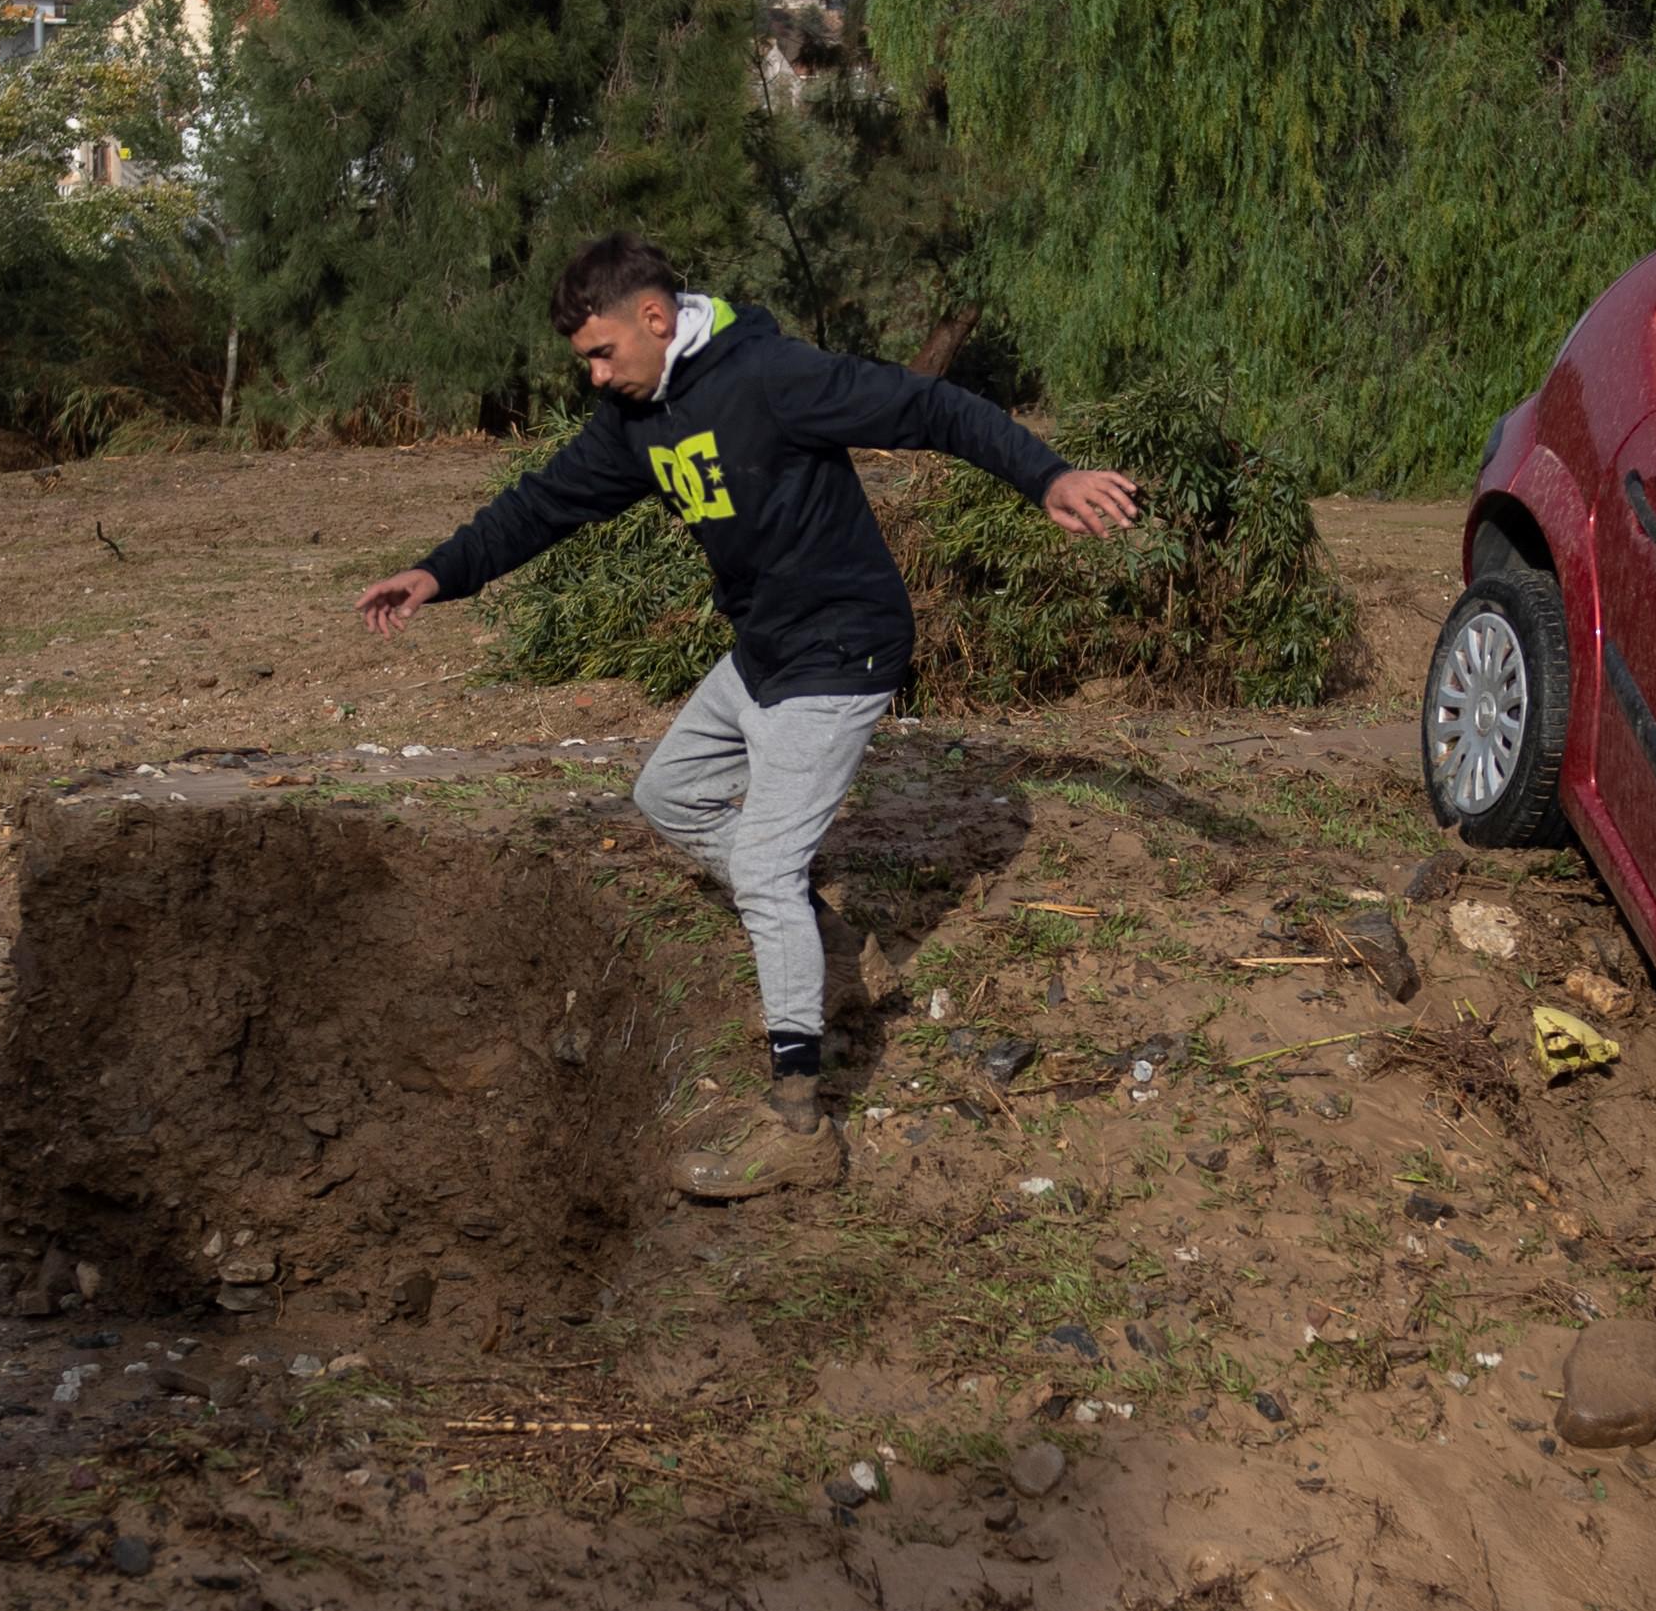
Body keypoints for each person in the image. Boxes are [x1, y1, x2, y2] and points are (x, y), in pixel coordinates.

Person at [357, 235, 1140, 1196]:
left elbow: (929, 406)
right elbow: (543, 504)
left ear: (654, 318)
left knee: (765, 864)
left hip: (842, 646)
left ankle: (800, 1124)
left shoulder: (773, 376)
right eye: (585, 362)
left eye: (602, 352)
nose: (595, 374)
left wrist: (1046, 476)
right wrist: (440, 571)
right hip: (766, 648)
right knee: (668, 791)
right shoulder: (633, 414)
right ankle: (818, 937)